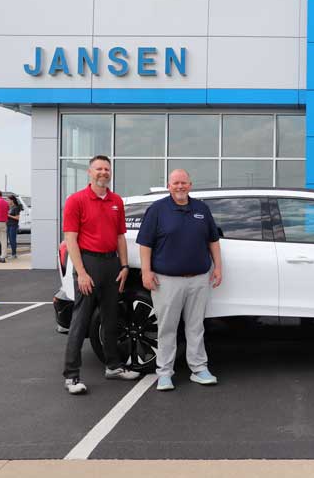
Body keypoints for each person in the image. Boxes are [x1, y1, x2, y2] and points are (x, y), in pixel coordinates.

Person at [137, 169, 223, 391]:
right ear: (168, 185)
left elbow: (213, 240)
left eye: (183, 182)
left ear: (190, 185)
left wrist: (218, 268)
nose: (180, 186)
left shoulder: (201, 209)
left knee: (196, 327)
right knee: (167, 328)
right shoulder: (157, 210)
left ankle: (199, 369)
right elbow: (145, 244)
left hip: (199, 279)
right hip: (167, 281)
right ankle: (164, 373)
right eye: (175, 183)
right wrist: (145, 272)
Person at [62, 155, 140, 395]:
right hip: (89, 263)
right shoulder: (76, 200)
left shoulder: (116, 200)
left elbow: (119, 237)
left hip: (111, 264)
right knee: (81, 320)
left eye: (107, 169)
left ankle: (113, 367)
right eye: (99, 169)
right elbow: (71, 239)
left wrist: (124, 266)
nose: (103, 172)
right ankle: (72, 376)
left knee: (110, 318)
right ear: (89, 172)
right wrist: (82, 273)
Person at [6, 195, 23, 259]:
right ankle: (11, 254)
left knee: (12, 240)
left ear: (12, 200)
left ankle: (14, 254)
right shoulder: (10, 207)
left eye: (8, 200)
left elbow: (17, 218)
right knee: (8, 240)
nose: (7, 201)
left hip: (13, 225)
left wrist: (8, 215)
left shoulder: (16, 207)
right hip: (8, 225)